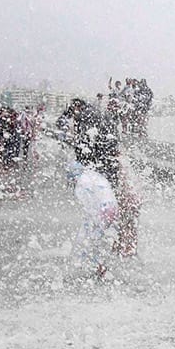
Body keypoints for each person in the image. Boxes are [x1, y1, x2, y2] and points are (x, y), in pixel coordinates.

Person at [56, 98, 140, 256]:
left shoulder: (86, 120)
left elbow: (84, 149)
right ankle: (125, 247)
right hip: (110, 167)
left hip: (103, 169)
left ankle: (112, 247)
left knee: (107, 209)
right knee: (123, 208)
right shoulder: (98, 118)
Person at [66, 160, 118, 278]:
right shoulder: (94, 175)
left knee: (92, 239)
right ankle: (102, 267)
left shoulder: (81, 184)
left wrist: (90, 223)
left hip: (103, 211)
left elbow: (89, 207)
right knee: (104, 238)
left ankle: (96, 267)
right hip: (113, 208)